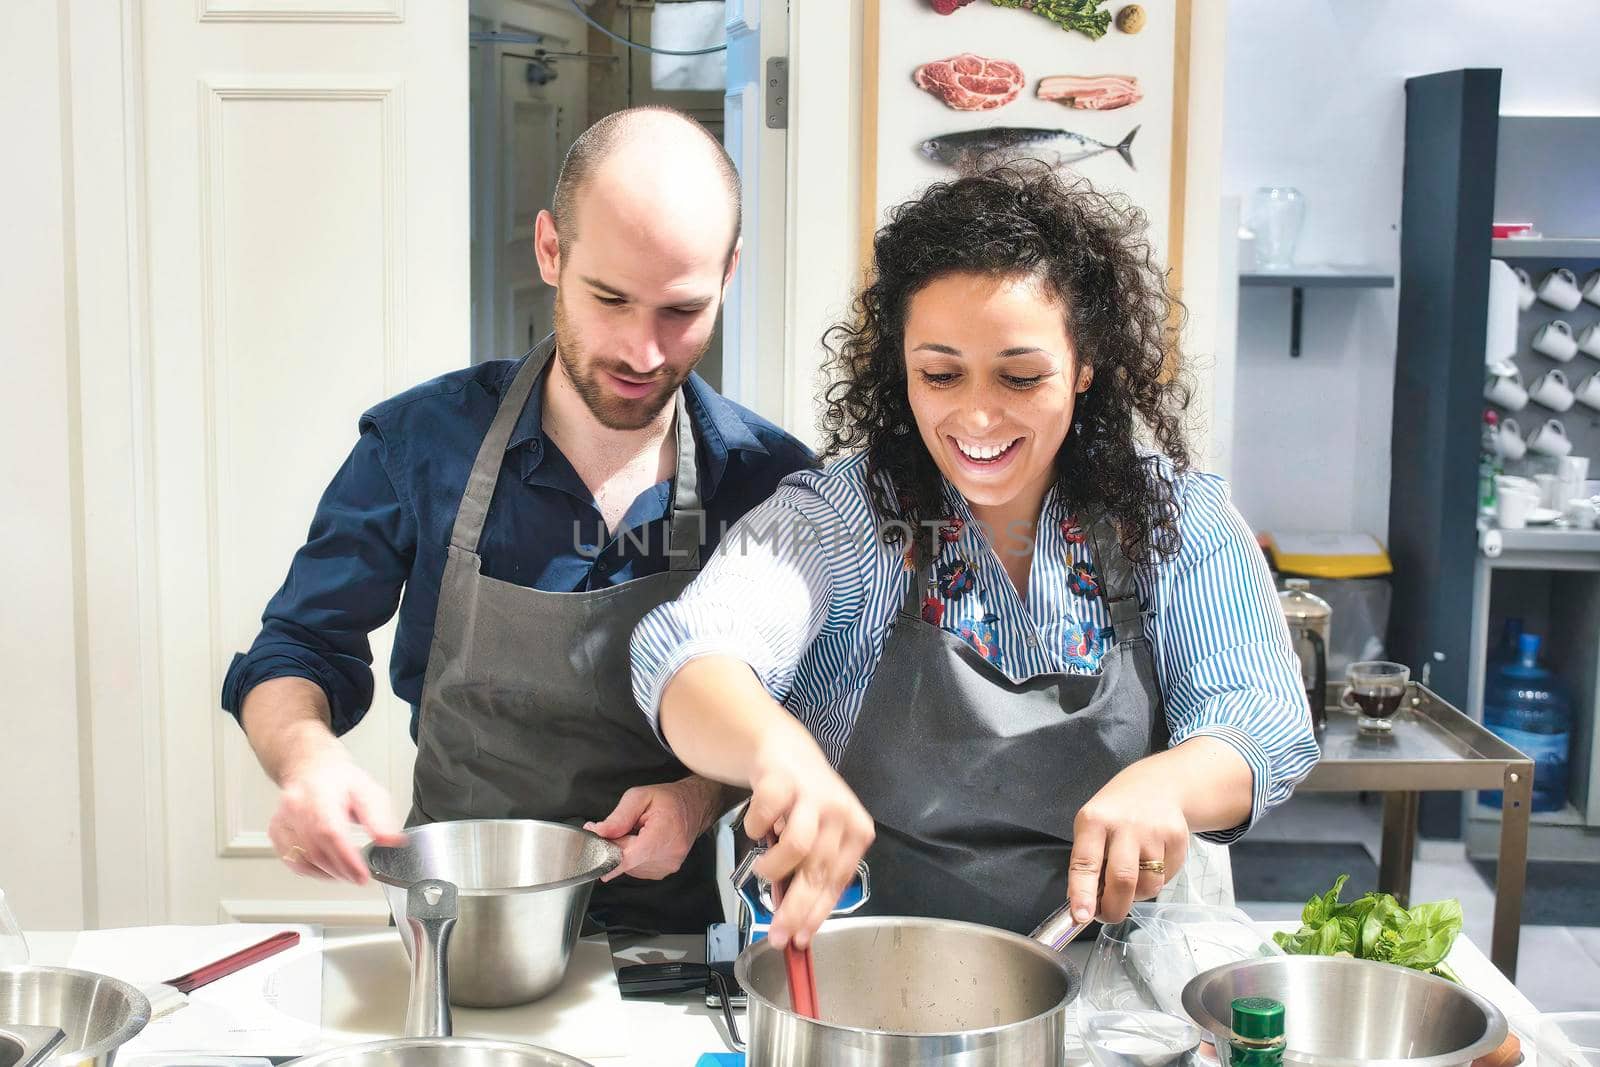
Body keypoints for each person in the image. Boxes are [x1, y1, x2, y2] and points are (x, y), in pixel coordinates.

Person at [631, 165, 1320, 949]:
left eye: (1021, 376)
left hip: (1112, 983)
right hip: (869, 981)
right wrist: (777, 751)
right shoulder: (844, 517)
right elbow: (693, 650)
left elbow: (1263, 719)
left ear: (1084, 365)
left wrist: (1172, 780)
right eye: (940, 374)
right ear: (902, 368)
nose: (978, 414)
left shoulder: (1175, 519)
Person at [222, 106, 813, 934]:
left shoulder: (767, 481)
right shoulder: (422, 444)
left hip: (665, 948)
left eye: (680, 310)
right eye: (610, 298)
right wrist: (306, 756)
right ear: (549, 250)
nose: (644, 352)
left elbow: (804, 707)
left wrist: (699, 794)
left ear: (730, 274)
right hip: (452, 930)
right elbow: (298, 647)